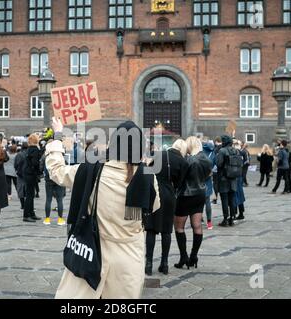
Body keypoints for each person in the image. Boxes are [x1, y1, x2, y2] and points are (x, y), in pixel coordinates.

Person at [48, 118, 160, 299]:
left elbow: (57, 171)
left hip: (91, 251)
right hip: (128, 259)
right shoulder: (147, 176)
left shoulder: (92, 169)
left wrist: (58, 136)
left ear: (113, 143)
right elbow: (153, 207)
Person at [144, 139, 187, 276]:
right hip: (169, 195)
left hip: (154, 193)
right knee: (166, 231)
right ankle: (164, 264)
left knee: (151, 229)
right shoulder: (183, 162)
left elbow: (147, 171)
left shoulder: (159, 155)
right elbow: (180, 183)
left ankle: (149, 264)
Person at [174, 136, 212, 269]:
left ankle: (183, 256)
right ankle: (194, 256)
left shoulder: (188, 160)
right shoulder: (206, 159)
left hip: (185, 195)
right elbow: (208, 175)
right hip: (200, 194)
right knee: (197, 225)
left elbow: (180, 178)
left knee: (179, 227)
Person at [216, 135, 241, 227]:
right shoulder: (236, 150)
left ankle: (225, 219)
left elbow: (219, 164)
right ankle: (232, 218)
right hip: (234, 178)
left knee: (224, 200)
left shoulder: (222, 151)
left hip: (223, 178)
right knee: (232, 199)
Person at [40, 146, 67, 226]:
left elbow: (42, 168)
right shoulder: (61, 158)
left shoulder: (47, 158)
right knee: (59, 200)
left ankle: (47, 219)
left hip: (49, 180)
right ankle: (60, 219)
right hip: (59, 180)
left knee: (48, 199)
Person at [22, 134, 42, 222]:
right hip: (31, 174)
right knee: (30, 195)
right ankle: (26, 215)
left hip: (27, 173)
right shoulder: (35, 150)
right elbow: (35, 163)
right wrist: (39, 171)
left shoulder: (29, 149)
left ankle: (31, 213)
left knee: (30, 194)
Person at [202, 139, 216, 230]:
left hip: (199, 180)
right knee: (207, 202)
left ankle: (199, 218)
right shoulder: (213, 154)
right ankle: (209, 222)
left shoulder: (201, 153)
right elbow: (215, 167)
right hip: (208, 180)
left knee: (198, 202)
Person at [233, 140, 246, 220]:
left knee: (234, 194)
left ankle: (234, 213)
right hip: (239, 175)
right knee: (240, 194)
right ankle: (241, 213)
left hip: (235, 176)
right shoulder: (242, 153)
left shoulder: (235, 153)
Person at [14, 142, 28, 211]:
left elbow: (15, 164)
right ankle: (28, 204)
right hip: (28, 174)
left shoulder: (19, 154)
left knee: (20, 190)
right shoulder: (29, 154)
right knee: (28, 190)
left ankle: (22, 205)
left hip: (20, 174)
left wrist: (17, 171)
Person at [211, 136, 222, 204]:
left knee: (215, 183)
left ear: (216, 141)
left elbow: (213, 159)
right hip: (222, 169)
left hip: (215, 169)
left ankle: (215, 198)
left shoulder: (215, 149)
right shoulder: (224, 147)